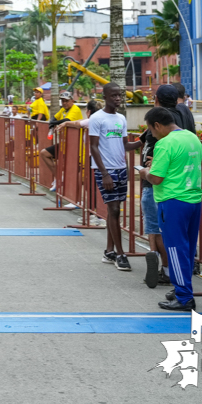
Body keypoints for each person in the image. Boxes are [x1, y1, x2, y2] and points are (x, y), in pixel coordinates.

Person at [141, 107, 202, 311]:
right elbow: (182, 164)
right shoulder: (192, 138)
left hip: (172, 201)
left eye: (151, 129)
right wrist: (157, 164)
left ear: (157, 125)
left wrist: (144, 172)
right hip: (194, 200)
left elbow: (156, 178)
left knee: (175, 250)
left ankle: (184, 297)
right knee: (186, 249)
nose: (151, 133)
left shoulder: (164, 144)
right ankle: (181, 289)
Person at [88, 82, 140, 272]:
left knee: (114, 212)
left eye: (120, 95)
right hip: (105, 170)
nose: (118, 99)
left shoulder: (121, 118)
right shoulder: (97, 118)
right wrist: (104, 173)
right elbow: (93, 147)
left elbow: (125, 145)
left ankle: (109, 251)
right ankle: (120, 254)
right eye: (114, 96)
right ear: (105, 97)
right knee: (115, 210)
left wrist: (143, 140)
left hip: (121, 169)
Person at [138, 87, 184, 289]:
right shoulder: (185, 116)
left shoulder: (164, 132)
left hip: (160, 186)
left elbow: (155, 177)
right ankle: (176, 272)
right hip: (186, 190)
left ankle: (163, 266)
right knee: (175, 232)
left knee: (155, 227)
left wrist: (148, 170)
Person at [41, 98, 100, 192]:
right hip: (67, 144)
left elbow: (73, 121)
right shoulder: (64, 110)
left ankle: (78, 200)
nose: (64, 103)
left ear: (72, 101)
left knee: (77, 175)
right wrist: (54, 122)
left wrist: (60, 123)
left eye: (66, 101)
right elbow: (55, 117)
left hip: (77, 147)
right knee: (44, 153)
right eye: (63, 101)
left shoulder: (77, 111)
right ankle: (59, 180)